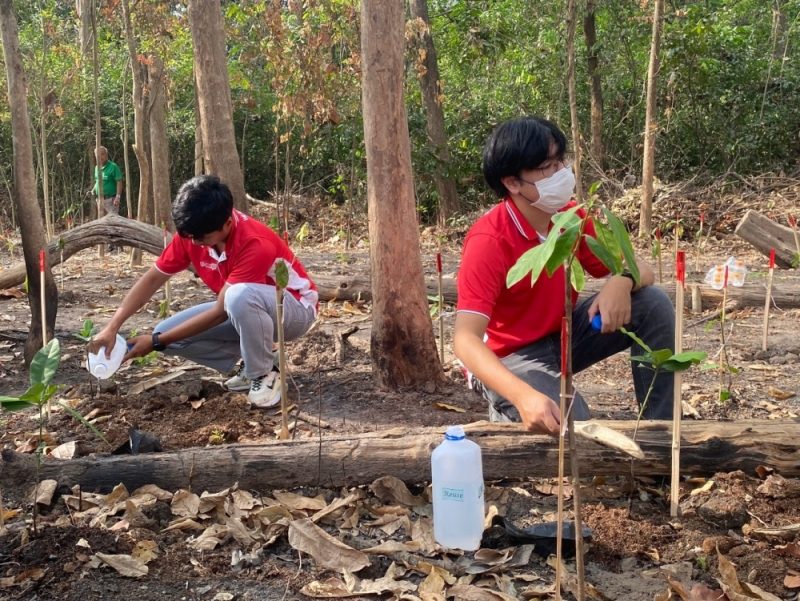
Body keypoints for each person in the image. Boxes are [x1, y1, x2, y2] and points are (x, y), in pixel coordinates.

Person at [454, 116, 675, 436]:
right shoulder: (489, 241)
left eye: (561, 162)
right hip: (511, 355)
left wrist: (621, 280)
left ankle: (661, 433)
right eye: (546, 167)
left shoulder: (570, 217)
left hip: (565, 334)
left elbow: (645, 270)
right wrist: (523, 396)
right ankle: (505, 405)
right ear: (512, 182)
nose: (561, 174)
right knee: (573, 427)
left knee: (652, 303)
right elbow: (465, 340)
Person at [88, 175, 318, 408]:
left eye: (202, 238)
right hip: (247, 309)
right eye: (191, 237)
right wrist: (112, 326)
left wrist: (156, 343)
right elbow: (153, 278)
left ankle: (263, 373)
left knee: (237, 297)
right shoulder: (192, 234)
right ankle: (253, 363)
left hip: (294, 310)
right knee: (166, 332)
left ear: (227, 223)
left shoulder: (254, 243)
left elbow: (220, 311)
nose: (195, 243)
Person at [93, 146, 124, 216]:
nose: (100, 157)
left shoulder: (113, 166)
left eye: (102, 154)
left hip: (111, 200)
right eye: (98, 155)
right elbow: (97, 181)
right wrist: (92, 190)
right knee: (102, 222)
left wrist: (118, 197)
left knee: (113, 220)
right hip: (99, 200)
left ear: (107, 155)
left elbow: (119, 181)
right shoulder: (96, 167)